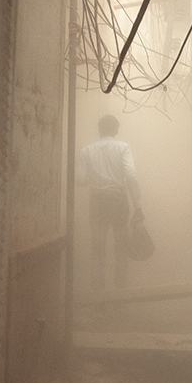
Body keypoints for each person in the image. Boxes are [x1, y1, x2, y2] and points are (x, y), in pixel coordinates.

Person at [77, 114, 142, 290]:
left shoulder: (87, 150)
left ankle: (99, 295)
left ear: (99, 130)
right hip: (118, 200)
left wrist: (96, 175)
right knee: (121, 247)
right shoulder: (123, 148)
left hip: (97, 201)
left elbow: (81, 181)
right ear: (115, 130)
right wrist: (138, 207)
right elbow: (130, 176)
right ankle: (120, 292)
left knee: (97, 249)